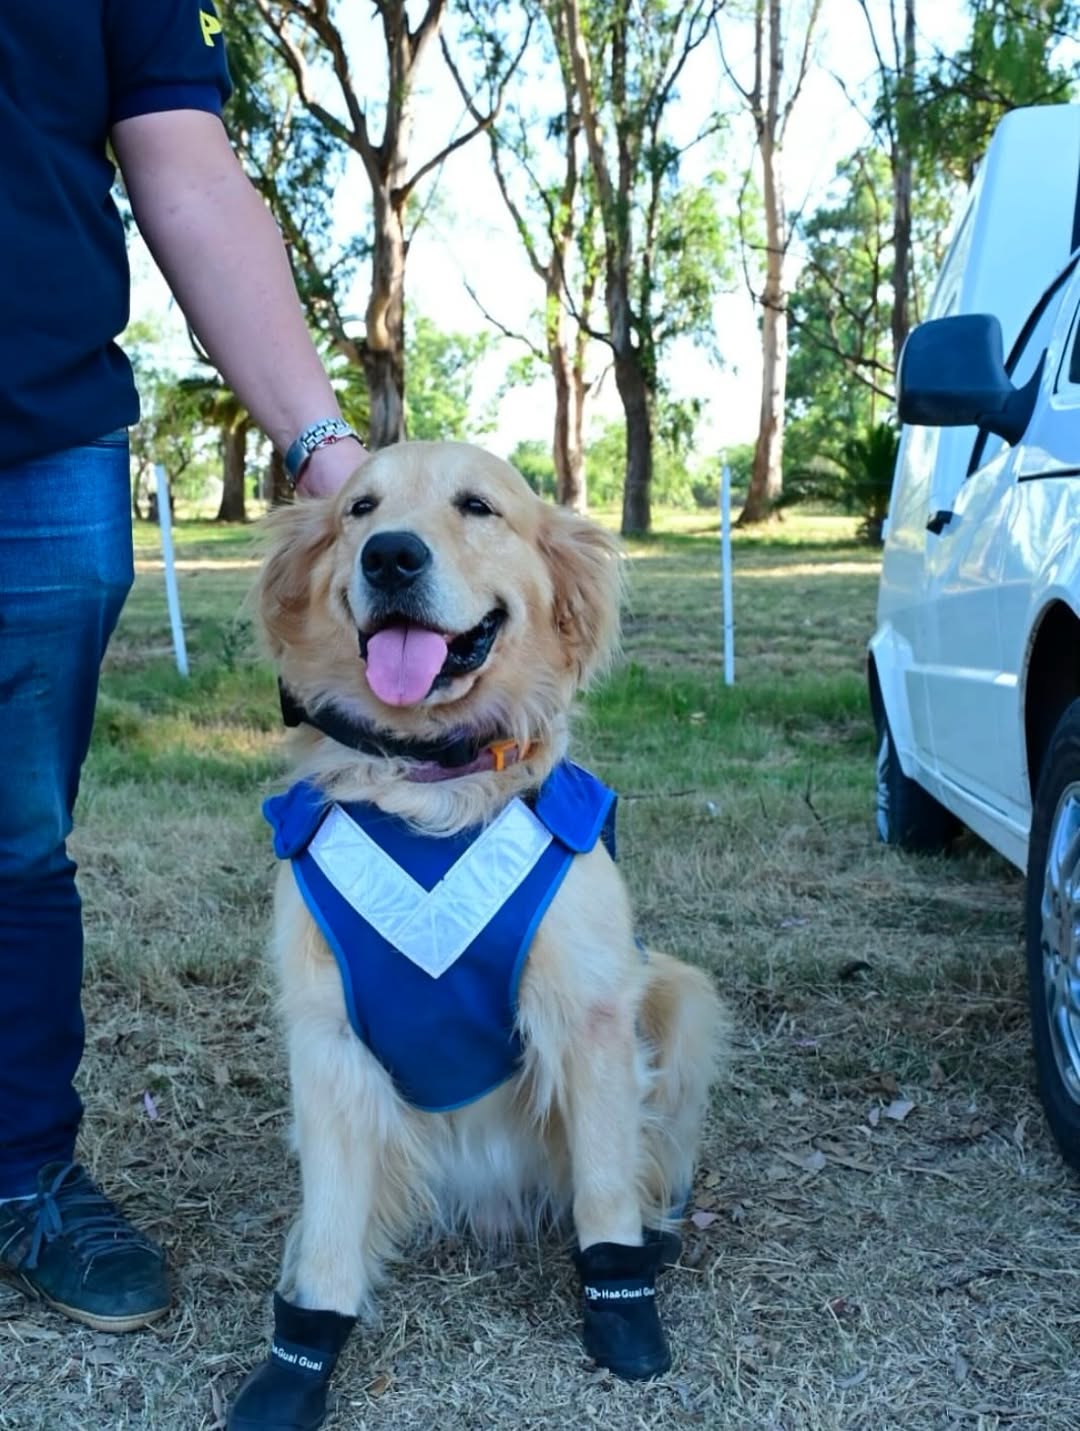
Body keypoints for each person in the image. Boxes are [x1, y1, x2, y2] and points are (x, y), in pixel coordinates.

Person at [0, 3, 365, 1333]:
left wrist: (333, 460)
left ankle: (21, 1173)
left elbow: (186, 165)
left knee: (16, 839)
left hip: (33, 441)